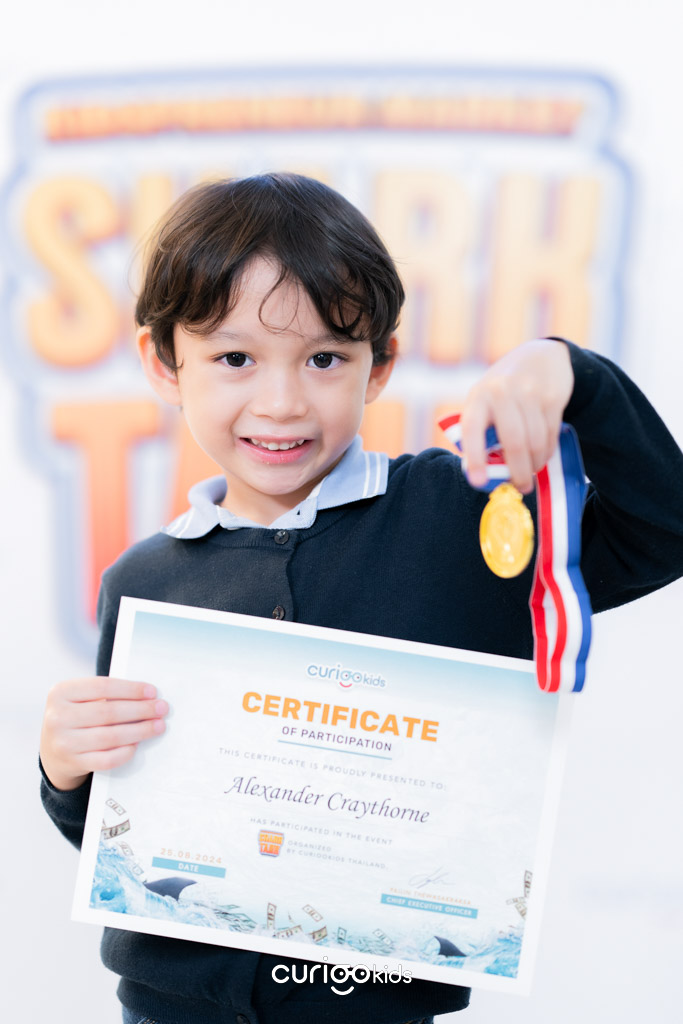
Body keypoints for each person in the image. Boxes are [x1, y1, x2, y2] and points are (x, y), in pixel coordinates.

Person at [39, 173, 683, 1024]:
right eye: (234, 358)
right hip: (168, 1008)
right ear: (165, 364)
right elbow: (134, 835)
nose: (280, 402)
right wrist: (66, 773)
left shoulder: (462, 517)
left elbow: (662, 529)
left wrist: (573, 375)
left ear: (378, 366)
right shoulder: (144, 581)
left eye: (324, 359)